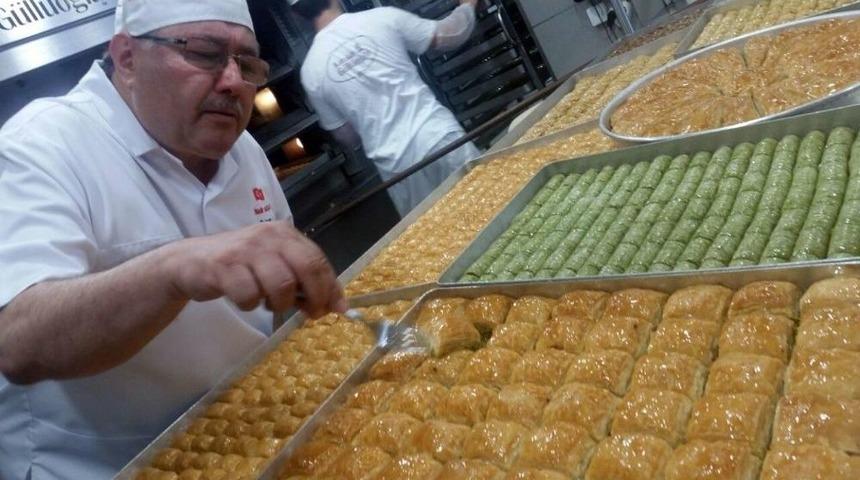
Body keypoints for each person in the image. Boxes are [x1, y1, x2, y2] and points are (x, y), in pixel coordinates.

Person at [0, 0, 347, 478]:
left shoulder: (241, 148)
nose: (232, 83)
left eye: (247, 64)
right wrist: (173, 268)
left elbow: (278, 298)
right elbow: (17, 342)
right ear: (126, 58)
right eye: (203, 53)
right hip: (110, 463)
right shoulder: (40, 146)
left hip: (250, 435)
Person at [291, 0, 482, 216]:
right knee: (489, 205)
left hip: (399, 170)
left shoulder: (310, 72)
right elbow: (451, 34)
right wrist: (467, 5)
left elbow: (347, 137)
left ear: (297, 16)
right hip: (438, 136)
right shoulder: (382, 18)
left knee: (439, 236)